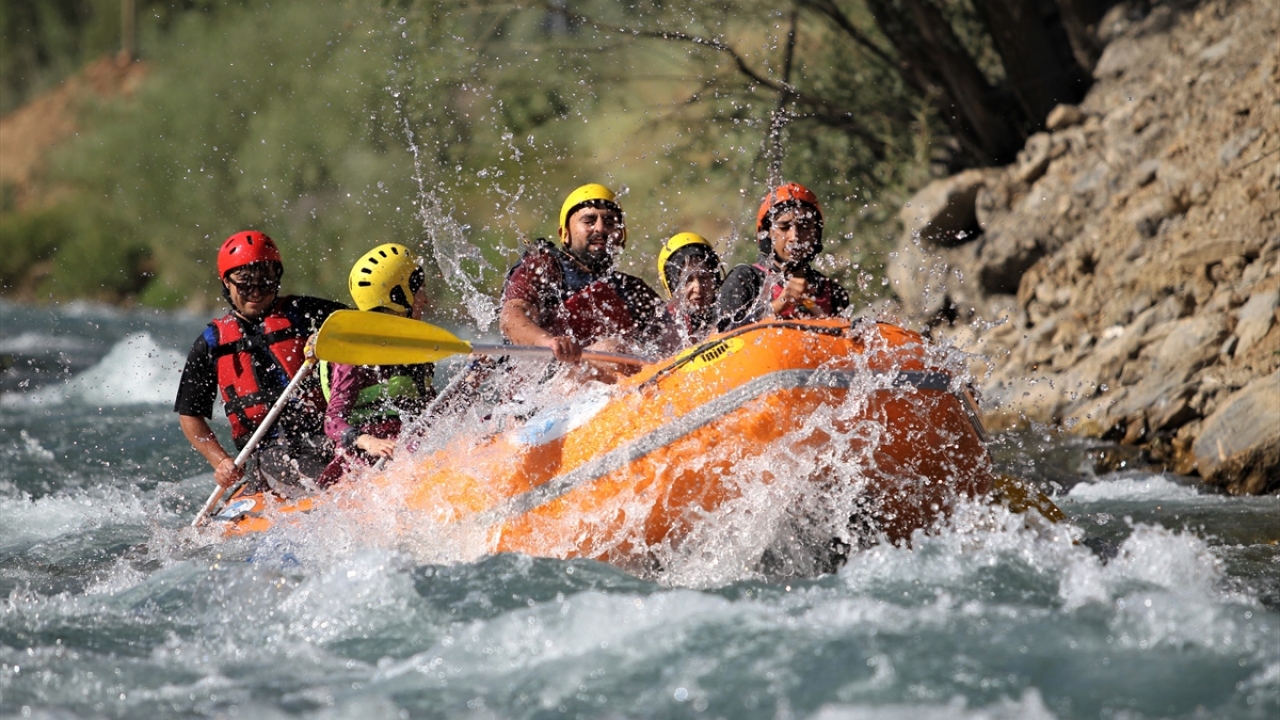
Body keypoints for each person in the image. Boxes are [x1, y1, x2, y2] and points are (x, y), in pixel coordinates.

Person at [174, 230, 346, 496]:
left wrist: (328, 339)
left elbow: (360, 328)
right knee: (298, 467)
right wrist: (220, 461)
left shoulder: (308, 313)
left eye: (265, 283)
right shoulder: (210, 343)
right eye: (245, 284)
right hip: (268, 452)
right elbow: (190, 414)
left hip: (326, 435)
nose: (255, 293)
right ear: (226, 283)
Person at [499, 183, 666, 368]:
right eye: (589, 221)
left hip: (608, 385)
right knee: (611, 350)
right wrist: (550, 342)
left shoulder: (632, 289)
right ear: (565, 234)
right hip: (545, 384)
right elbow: (511, 316)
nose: (600, 229)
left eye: (610, 223)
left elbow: (673, 335)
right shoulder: (543, 268)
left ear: (621, 235)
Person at [315, 243, 435, 486]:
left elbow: (434, 413)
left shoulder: (415, 345)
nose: (426, 299)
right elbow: (333, 421)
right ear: (400, 296)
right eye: (420, 290)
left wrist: (472, 377)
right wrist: (369, 442)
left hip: (411, 448)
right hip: (364, 462)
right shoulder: (353, 352)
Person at [717, 182, 851, 330]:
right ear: (768, 233)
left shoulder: (833, 292)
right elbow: (720, 334)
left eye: (805, 226)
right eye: (784, 227)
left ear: (816, 233)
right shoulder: (746, 279)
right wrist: (779, 304)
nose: (795, 237)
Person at [656, 232, 722, 351]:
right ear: (673, 288)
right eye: (687, 280)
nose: (698, 288)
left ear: (715, 280)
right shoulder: (667, 326)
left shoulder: (727, 310)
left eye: (703, 277)